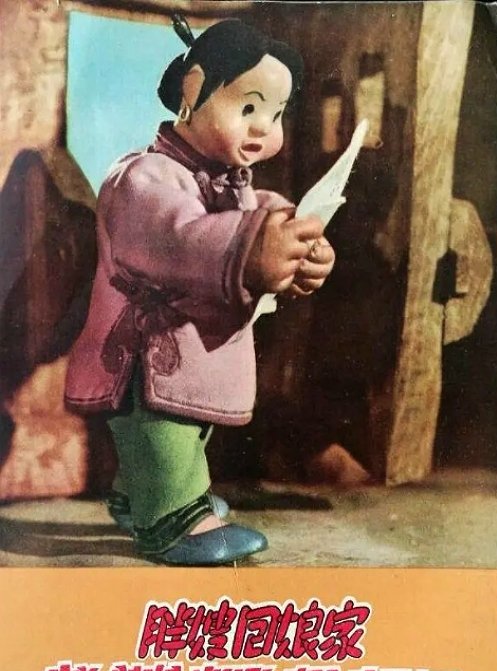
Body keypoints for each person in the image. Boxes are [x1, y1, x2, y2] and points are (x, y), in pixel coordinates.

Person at [65, 18, 335, 565]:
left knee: (188, 427)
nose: (263, 128)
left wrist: (298, 244)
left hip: (189, 356)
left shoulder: (227, 182)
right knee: (165, 427)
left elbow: (258, 211)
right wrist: (254, 250)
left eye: (276, 114)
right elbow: (180, 236)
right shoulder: (144, 178)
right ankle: (172, 519)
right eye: (249, 107)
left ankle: (141, 495)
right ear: (192, 92)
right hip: (145, 355)